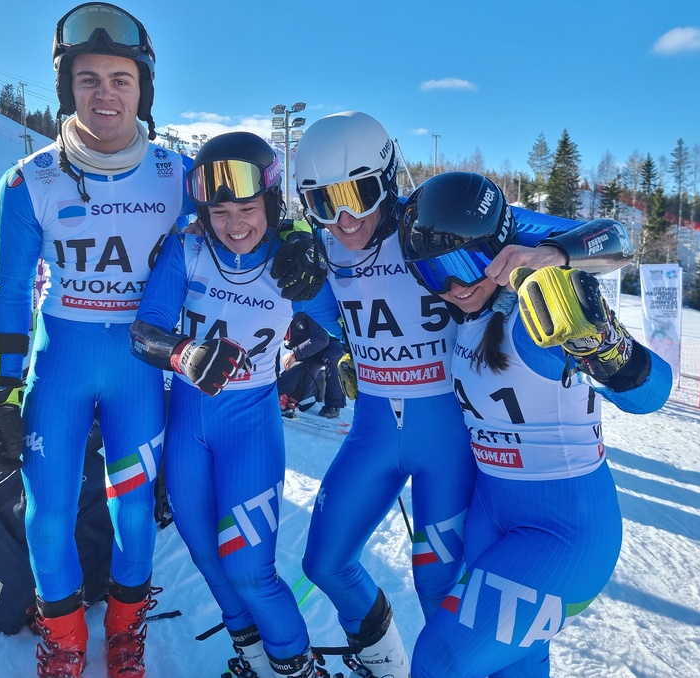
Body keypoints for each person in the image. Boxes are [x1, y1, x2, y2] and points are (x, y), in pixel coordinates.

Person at [273, 111, 634, 678]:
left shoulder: (441, 221)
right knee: (323, 561)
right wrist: (309, 295)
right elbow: (339, 317)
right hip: (373, 431)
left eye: (359, 195)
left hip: (450, 443)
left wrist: (552, 255)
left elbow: (614, 240)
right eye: (323, 202)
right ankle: (383, 660)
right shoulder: (322, 244)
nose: (344, 219)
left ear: (389, 177)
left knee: (442, 597)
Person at [0, 4, 195, 677]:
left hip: (136, 373)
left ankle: (125, 633)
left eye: (120, 79)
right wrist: (4, 392)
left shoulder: (178, 175)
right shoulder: (29, 178)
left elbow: (251, 230)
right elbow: (9, 293)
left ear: (141, 89)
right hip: (60, 366)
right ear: (69, 88)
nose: (105, 94)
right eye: (88, 78)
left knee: (133, 516)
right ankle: (65, 640)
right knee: (48, 514)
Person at [399, 171, 672, 677]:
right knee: (516, 665)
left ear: (501, 249)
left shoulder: (534, 313)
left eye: (466, 265)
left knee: (439, 660)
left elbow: (654, 394)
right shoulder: (467, 315)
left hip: (564, 532)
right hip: (493, 512)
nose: (455, 288)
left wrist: (609, 349)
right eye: (434, 275)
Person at [131, 131, 336, 678]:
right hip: (188, 428)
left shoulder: (289, 260)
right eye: (219, 211)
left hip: (251, 425)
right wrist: (182, 354)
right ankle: (255, 660)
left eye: (247, 208)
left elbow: (349, 325)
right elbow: (144, 330)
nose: (235, 224)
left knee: (250, 571)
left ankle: (297, 667)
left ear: (270, 200)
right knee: (207, 560)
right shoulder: (190, 247)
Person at [278, 311, 347, 419]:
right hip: (307, 349)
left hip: (327, 344)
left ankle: (334, 405)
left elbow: (322, 339)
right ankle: (291, 398)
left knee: (335, 356)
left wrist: (295, 354)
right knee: (297, 372)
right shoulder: (278, 312)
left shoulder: (304, 310)